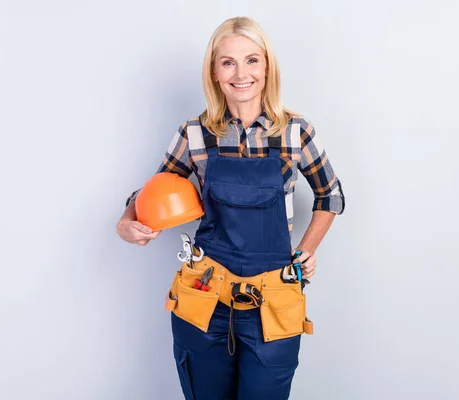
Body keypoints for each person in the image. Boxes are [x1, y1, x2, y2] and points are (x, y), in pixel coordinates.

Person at [116, 16, 345, 400]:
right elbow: (153, 192)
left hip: (273, 301)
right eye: (228, 62)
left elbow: (331, 195)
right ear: (215, 72)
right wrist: (127, 222)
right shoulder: (195, 133)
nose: (242, 73)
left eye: (252, 60)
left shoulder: (295, 131)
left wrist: (307, 250)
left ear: (267, 66)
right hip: (205, 295)